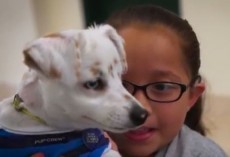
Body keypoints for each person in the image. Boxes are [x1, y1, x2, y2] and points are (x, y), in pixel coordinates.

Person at [32, 4, 227, 157]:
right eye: (119, 84)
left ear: (191, 97)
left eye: (161, 86)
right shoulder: (54, 145)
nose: (139, 106)